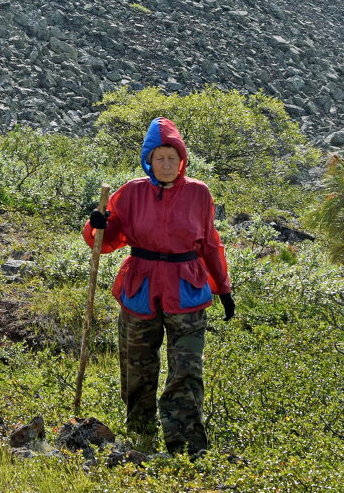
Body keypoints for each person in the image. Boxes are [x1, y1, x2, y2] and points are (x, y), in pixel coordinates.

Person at [83, 116, 235, 456]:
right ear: (148, 159)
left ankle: (186, 447)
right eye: (159, 157)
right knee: (137, 365)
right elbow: (105, 240)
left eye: (173, 157)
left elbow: (210, 243)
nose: (167, 164)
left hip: (187, 289)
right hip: (141, 287)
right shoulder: (131, 192)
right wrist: (96, 225)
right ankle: (140, 435)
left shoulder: (199, 193)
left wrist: (223, 288)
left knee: (187, 369)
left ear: (182, 160)